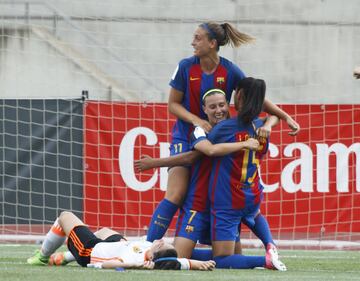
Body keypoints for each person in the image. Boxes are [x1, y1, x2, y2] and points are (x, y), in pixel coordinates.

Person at [147, 21, 300, 242]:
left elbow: (255, 95)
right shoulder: (185, 66)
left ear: (212, 43)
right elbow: (173, 105)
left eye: (198, 38)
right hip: (185, 134)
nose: (192, 42)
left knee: (221, 196)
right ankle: (146, 247)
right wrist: (197, 120)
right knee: (176, 193)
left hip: (219, 138)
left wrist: (285, 116)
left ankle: (246, 247)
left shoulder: (229, 70)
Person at [136, 88, 285, 270]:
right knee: (179, 258)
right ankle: (149, 248)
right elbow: (193, 156)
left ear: (229, 106)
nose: (218, 110)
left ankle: (269, 253)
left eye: (222, 105)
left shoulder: (236, 127)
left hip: (225, 205)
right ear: (204, 110)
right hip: (197, 205)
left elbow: (270, 114)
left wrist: (271, 124)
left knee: (231, 257)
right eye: (212, 107)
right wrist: (154, 163)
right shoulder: (200, 130)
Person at [27, 211, 215, 270]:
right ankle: (67, 256)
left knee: (65, 216)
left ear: (154, 252)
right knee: (105, 231)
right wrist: (203, 264)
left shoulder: (134, 259)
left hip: (90, 251)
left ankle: (43, 256)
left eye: (161, 243)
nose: (160, 240)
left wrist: (97, 266)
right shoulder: (162, 257)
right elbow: (183, 262)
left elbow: (115, 264)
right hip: (117, 244)